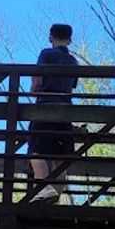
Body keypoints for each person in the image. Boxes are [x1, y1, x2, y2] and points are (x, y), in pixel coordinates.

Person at [28, 23, 80, 202]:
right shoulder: (74, 62)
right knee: (60, 151)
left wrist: (34, 90)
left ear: (50, 37)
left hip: (46, 106)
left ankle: (43, 188)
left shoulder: (46, 54)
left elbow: (37, 80)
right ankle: (56, 193)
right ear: (70, 40)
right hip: (66, 110)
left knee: (36, 148)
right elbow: (71, 88)